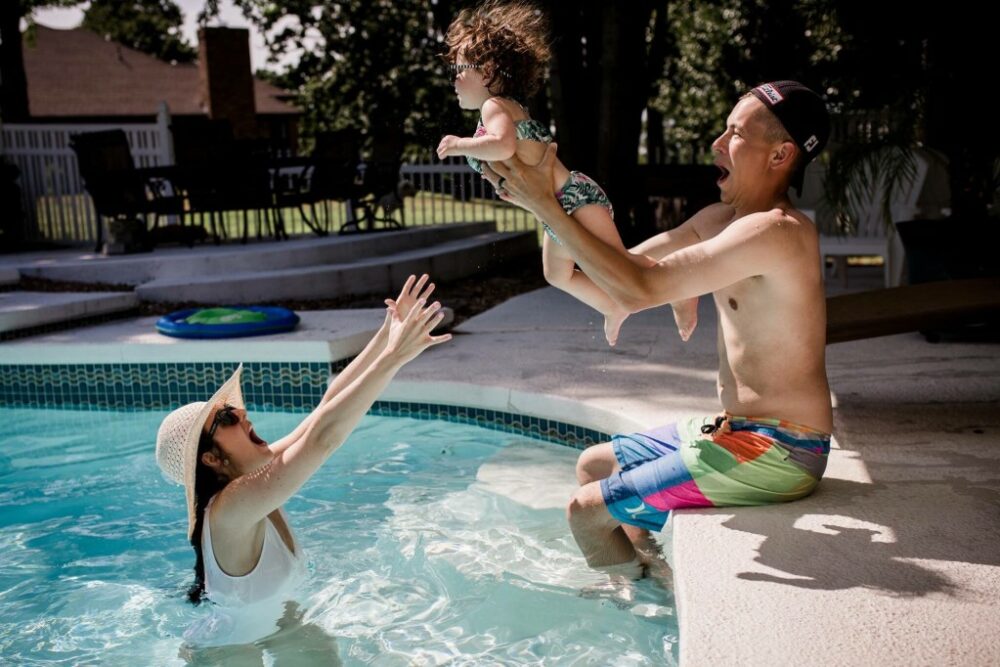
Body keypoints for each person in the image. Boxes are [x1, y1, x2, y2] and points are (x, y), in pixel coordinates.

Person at [488, 81, 835, 578]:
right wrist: (559, 187)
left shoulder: (777, 230)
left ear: (780, 154)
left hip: (781, 448)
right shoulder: (720, 219)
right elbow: (590, 275)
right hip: (736, 429)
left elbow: (637, 288)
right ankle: (649, 572)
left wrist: (545, 204)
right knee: (593, 465)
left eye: (734, 134)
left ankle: (631, 607)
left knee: (585, 513)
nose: (716, 143)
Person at [155, 275, 450, 644]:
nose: (243, 414)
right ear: (212, 459)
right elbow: (324, 439)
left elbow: (324, 412)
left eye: (234, 409)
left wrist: (387, 333)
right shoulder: (229, 508)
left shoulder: (255, 475)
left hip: (281, 620)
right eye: (227, 418)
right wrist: (394, 358)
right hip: (229, 650)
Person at [436, 0, 696, 346]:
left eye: (459, 68)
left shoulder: (494, 106)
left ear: (487, 71)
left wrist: (459, 144)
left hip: (574, 199)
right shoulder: (500, 108)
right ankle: (611, 306)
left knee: (621, 264)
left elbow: (502, 146)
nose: (453, 77)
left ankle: (680, 287)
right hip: (555, 211)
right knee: (557, 274)